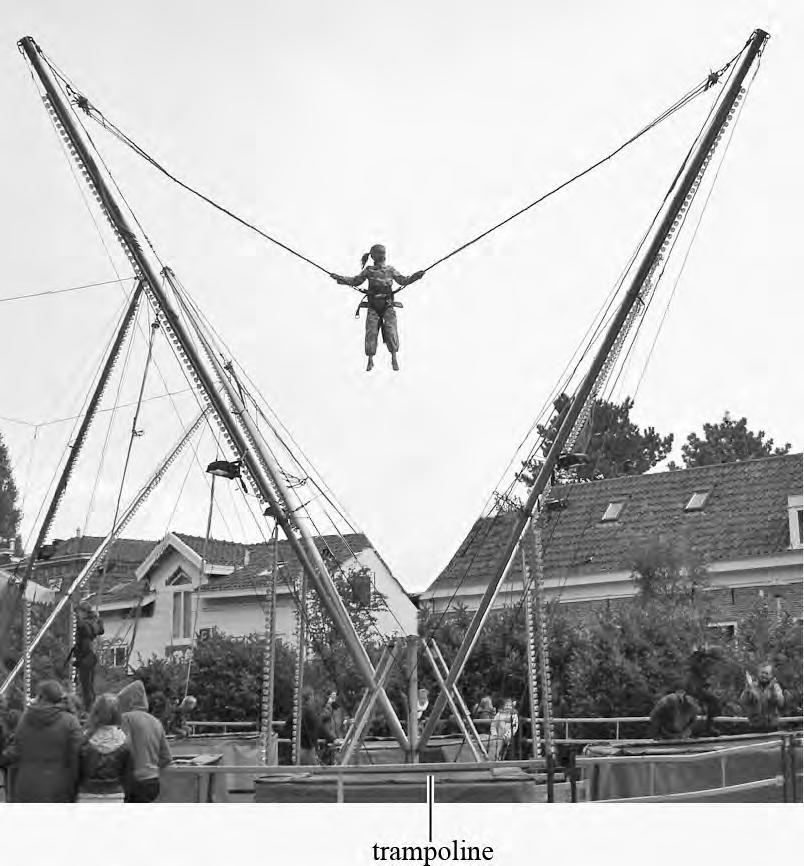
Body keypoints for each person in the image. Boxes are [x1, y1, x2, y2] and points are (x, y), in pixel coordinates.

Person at [330, 244, 424, 371]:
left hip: (387, 305)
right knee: (371, 332)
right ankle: (370, 359)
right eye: (379, 253)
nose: (382, 255)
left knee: (391, 330)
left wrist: (415, 277)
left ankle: (394, 356)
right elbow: (355, 281)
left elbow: (403, 280)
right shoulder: (369, 270)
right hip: (373, 306)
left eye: (383, 252)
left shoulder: (390, 270)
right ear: (373, 256)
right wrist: (340, 278)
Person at [0, 680, 83, 802]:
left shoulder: (25, 718)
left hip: (25, 786)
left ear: (41, 697)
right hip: (59, 788)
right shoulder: (70, 722)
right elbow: (76, 757)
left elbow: (16, 750)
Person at [117, 680, 172, 802]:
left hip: (132, 783)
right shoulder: (156, 722)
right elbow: (167, 758)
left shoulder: (126, 719)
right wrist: (151, 767)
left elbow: (124, 747)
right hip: (152, 782)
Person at [77, 693, 131, 802]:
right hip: (115, 794)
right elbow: (128, 773)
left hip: (87, 794)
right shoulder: (123, 739)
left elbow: (76, 770)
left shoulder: (85, 738)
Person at [67, 602, 104, 711]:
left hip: (86, 657)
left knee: (86, 686)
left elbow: (85, 630)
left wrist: (78, 619)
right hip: (87, 656)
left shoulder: (87, 625)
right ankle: (89, 706)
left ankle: (89, 709)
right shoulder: (93, 623)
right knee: (88, 685)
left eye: (79, 612)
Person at [740, 663, 785, 732]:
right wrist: (748, 688)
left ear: (771, 675)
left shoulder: (776, 687)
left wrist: (774, 692)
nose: (764, 675)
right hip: (755, 728)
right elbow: (743, 702)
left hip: (772, 728)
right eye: (762, 673)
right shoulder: (752, 686)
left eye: (766, 673)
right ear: (758, 673)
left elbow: (781, 703)